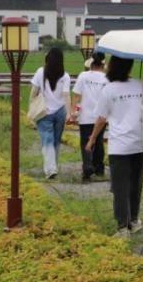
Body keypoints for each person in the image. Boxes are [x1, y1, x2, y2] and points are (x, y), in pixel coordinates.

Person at [87, 55, 143, 237]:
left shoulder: (108, 89)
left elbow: (102, 118)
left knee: (120, 187)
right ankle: (134, 221)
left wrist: (92, 139)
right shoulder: (140, 85)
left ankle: (122, 227)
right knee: (136, 184)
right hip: (139, 143)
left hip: (119, 146)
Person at [29, 47, 72, 180]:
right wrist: (69, 113)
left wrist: (31, 109)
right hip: (60, 112)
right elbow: (66, 95)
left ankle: (50, 169)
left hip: (44, 112)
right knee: (56, 141)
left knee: (47, 140)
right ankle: (53, 167)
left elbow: (33, 92)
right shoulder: (65, 75)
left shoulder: (40, 72)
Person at [72, 53, 108, 182]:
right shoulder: (107, 78)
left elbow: (76, 95)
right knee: (98, 141)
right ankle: (99, 168)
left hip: (85, 116)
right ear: (103, 65)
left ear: (91, 64)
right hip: (101, 116)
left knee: (85, 142)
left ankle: (87, 166)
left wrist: (73, 112)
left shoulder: (83, 76)